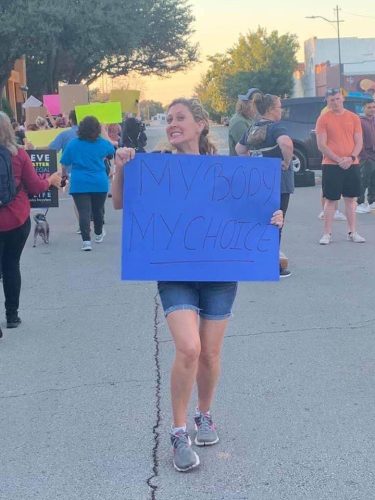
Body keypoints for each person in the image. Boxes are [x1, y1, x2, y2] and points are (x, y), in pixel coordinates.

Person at [111, 97, 283, 472]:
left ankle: (204, 415)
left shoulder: (227, 172)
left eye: (180, 118)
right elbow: (120, 203)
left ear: (201, 124)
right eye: (169, 119)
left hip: (220, 275)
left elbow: (250, 214)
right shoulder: (154, 167)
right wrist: (120, 169)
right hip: (176, 274)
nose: (172, 124)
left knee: (210, 354)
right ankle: (177, 431)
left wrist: (273, 217)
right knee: (189, 348)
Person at [0, 111, 61, 334]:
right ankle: (12, 316)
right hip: (16, 219)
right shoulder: (19, 155)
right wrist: (51, 180)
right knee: (11, 266)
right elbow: (35, 186)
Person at [236, 93, 294, 278]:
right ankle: (272, 265)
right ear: (270, 109)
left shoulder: (254, 128)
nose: (281, 110)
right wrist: (286, 161)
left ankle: (255, 259)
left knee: (259, 220)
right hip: (279, 182)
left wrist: (253, 165)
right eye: (279, 107)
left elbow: (240, 149)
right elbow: (286, 143)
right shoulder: (276, 128)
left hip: (259, 183)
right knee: (277, 222)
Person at [316, 88, 365, 245]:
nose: (335, 102)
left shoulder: (354, 118)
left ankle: (352, 232)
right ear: (327, 102)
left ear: (342, 99)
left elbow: (359, 141)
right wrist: (338, 159)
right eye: (332, 100)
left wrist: (350, 158)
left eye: (337, 99)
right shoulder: (323, 119)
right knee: (330, 200)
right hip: (331, 164)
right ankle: (327, 234)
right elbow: (321, 145)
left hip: (352, 163)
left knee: (351, 199)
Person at [60, 116, 115, 251]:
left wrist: (64, 174)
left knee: (84, 212)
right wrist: (104, 132)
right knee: (98, 210)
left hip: (80, 183)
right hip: (99, 182)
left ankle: (86, 242)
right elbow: (112, 151)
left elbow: (64, 162)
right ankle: (98, 233)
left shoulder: (73, 144)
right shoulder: (102, 143)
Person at [228, 88, 260, 156]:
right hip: (241, 164)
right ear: (248, 105)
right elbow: (247, 147)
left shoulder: (248, 119)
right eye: (256, 105)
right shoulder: (239, 122)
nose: (258, 108)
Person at [356, 100, 375, 213]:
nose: (372, 109)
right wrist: (364, 155)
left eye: (374, 107)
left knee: (374, 179)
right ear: (363, 108)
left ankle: (372, 201)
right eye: (369, 107)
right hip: (365, 156)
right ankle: (360, 203)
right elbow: (359, 140)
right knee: (364, 180)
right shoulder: (360, 121)